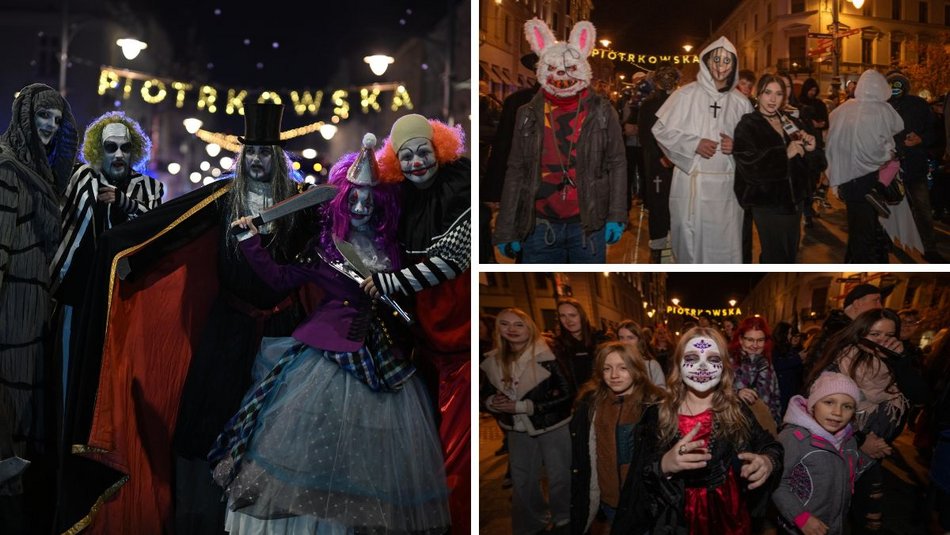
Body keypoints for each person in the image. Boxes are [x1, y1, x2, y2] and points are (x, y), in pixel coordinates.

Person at [58, 102, 311, 534]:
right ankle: (207, 518)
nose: (257, 160)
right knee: (210, 423)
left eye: (265, 153)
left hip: (280, 329)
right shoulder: (225, 196)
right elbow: (174, 226)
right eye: (251, 151)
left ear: (277, 157)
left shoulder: (299, 201)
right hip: (229, 328)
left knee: (275, 427)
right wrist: (128, 255)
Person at [208, 139, 450, 533]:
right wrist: (251, 241)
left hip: (383, 356)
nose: (361, 207)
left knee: (373, 453)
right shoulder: (323, 249)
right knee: (314, 445)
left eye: (370, 200)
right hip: (325, 354)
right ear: (341, 200)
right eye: (354, 199)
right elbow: (279, 280)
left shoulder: (393, 249)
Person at [372, 113, 471, 532]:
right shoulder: (404, 198)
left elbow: (453, 260)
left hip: (460, 342)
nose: (416, 163)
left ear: (439, 149)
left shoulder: (460, 185)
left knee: (456, 451)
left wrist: (388, 283)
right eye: (406, 156)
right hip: (427, 341)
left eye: (423, 152)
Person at [610, 327, 783, 534]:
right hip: (675, 516)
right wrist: (664, 465)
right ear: (678, 365)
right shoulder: (658, 414)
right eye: (692, 358)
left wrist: (767, 461)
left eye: (713, 359)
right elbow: (639, 476)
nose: (702, 366)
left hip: (727, 514)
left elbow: (769, 445)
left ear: (724, 367)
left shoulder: (735, 410)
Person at [0, 82, 77, 533]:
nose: (49, 126)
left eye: (57, 119)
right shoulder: (8, 169)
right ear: (26, 118)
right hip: (11, 314)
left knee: (26, 414)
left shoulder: (40, 172)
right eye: (43, 116)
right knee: (10, 412)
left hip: (35, 311)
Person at [50, 111, 164, 407]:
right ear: (98, 150)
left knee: (111, 377)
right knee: (69, 371)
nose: (119, 155)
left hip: (123, 296)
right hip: (77, 291)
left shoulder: (149, 188)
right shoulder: (82, 178)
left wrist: (124, 202)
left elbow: (155, 225)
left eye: (125, 148)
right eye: (111, 147)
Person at [494, 18, 627, 263]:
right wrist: (506, 227)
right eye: (553, 68)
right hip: (538, 226)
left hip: (589, 226)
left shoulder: (602, 111)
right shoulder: (527, 113)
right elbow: (516, 169)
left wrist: (617, 214)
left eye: (570, 68)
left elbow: (617, 162)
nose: (561, 75)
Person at [805, 308, 930, 533]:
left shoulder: (896, 362)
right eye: (875, 334)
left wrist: (901, 362)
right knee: (833, 508)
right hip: (843, 447)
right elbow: (822, 413)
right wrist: (861, 440)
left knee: (866, 511)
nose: (882, 341)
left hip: (875, 452)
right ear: (860, 333)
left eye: (889, 335)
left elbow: (921, 396)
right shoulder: (841, 361)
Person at [652, 37, 752, 263]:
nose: (721, 66)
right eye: (716, 59)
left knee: (726, 242)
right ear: (706, 61)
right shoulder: (685, 95)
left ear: (734, 65)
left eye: (727, 60)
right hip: (692, 183)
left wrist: (737, 146)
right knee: (692, 243)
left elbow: (754, 143)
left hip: (727, 188)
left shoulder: (741, 102)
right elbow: (661, 130)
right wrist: (693, 144)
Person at [481, 308, 573, 535]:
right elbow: (483, 394)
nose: (511, 329)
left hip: (552, 424)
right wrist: (492, 402)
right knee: (523, 480)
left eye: (519, 324)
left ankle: (564, 519)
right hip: (515, 429)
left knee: (559, 476)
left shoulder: (548, 355)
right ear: (498, 328)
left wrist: (525, 406)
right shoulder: (492, 360)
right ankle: (533, 523)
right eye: (505, 323)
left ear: (529, 328)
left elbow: (568, 393)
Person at [570, 342, 666, 533]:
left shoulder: (654, 405)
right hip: (609, 501)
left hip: (643, 502)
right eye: (607, 369)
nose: (614, 375)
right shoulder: (591, 404)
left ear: (636, 369)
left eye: (623, 368)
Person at [733, 74, 823, 263]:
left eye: (779, 94)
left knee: (790, 255)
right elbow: (749, 168)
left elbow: (813, 166)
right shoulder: (748, 125)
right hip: (768, 204)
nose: (773, 99)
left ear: (784, 97)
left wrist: (811, 150)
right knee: (775, 257)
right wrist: (784, 154)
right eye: (768, 92)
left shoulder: (790, 122)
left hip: (795, 203)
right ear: (759, 94)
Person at [773, 372, 871, 535]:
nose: (837, 412)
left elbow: (845, 477)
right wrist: (800, 517)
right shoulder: (793, 439)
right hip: (798, 529)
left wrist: (867, 459)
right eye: (829, 402)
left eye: (847, 406)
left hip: (835, 526)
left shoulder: (849, 441)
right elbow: (776, 483)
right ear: (813, 405)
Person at [826, 69, 905, 263]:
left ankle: (853, 261)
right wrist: (888, 153)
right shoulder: (883, 110)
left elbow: (832, 141)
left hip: (847, 179)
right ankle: (864, 263)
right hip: (869, 181)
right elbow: (896, 130)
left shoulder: (843, 109)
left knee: (856, 226)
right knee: (865, 230)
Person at [886, 72, 945, 263]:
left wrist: (921, 139)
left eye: (899, 85)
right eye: (892, 85)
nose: (895, 89)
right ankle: (886, 241)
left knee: (922, 208)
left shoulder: (919, 105)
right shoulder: (880, 106)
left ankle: (929, 248)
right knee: (887, 207)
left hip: (914, 165)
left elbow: (934, 132)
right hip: (888, 166)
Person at [638, 63, 681, 262]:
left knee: (679, 200)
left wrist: (676, 154)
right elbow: (645, 135)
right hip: (658, 162)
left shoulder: (682, 102)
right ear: (656, 81)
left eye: (670, 76)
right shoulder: (648, 104)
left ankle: (676, 240)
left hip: (678, 161)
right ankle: (658, 240)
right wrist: (661, 156)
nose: (667, 80)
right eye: (663, 77)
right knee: (658, 200)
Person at [730, 316, 783, 427]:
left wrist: (776, 423)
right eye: (750, 340)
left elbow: (775, 397)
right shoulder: (729, 362)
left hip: (764, 426)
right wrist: (736, 393)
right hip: (736, 426)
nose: (755, 345)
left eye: (760, 340)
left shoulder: (767, 364)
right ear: (741, 340)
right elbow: (716, 394)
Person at [552, 297, 608, 390]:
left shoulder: (600, 340)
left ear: (582, 316)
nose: (568, 320)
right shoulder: (557, 346)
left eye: (572, 315)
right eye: (563, 316)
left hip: (601, 394)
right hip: (573, 397)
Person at [616, 319, 666, 387]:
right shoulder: (612, 364)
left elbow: (661, 390)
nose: (625, 342)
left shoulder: (651, 365)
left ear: (639, 340)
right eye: (621, 338)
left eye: (630, 338)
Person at [771, 322, 804, 416]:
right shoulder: (775, 348)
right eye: (789, 333)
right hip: (782, 387)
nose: (790, 336)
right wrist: (798, 358)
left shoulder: (789, 347)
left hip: (791, 386)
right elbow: (778, 364)